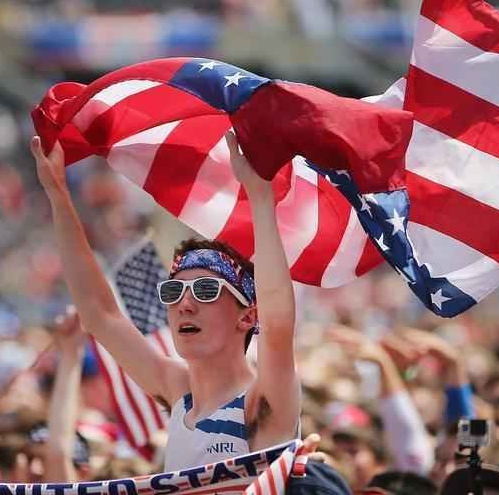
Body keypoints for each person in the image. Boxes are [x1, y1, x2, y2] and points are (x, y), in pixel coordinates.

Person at [31, 131, 300, 470]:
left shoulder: (261, 401)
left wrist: (260, 198)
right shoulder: (178, 392)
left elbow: (277, 324)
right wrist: (58, 196)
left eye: (206, 291)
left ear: (247, 317)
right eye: (173, 292)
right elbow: (100, 314)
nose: (184, 305)